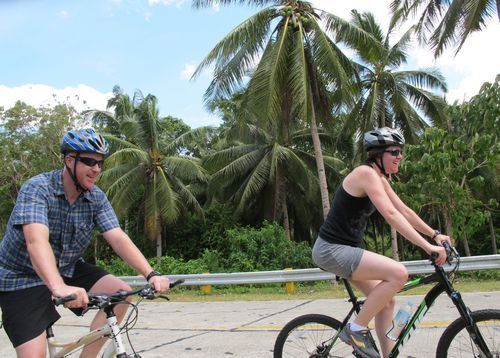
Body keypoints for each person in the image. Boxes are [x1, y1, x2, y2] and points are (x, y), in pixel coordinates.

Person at [0, 128, 170, 358]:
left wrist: (151, 273)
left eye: (100, 163)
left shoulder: (96, 197)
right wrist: (57, 286)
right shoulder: (38, 188)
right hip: (22, 276)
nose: (96, 169)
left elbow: (118, 237)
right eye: (89, 161)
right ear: (70, 161)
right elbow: (35, 241)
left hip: (67, 266)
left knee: (122, 293)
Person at [312, 127, 451, 358]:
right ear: (378, 155)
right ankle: (355, 329)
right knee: (398, 273)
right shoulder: (365, 174)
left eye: (401, 152)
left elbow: (403, 210)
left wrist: (434, 234)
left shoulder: (380, 178)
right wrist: (428, 247)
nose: (400, 157)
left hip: (345, 251)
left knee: (387, 302)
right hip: (331, 250)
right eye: (394, 152)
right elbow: (390, 215)